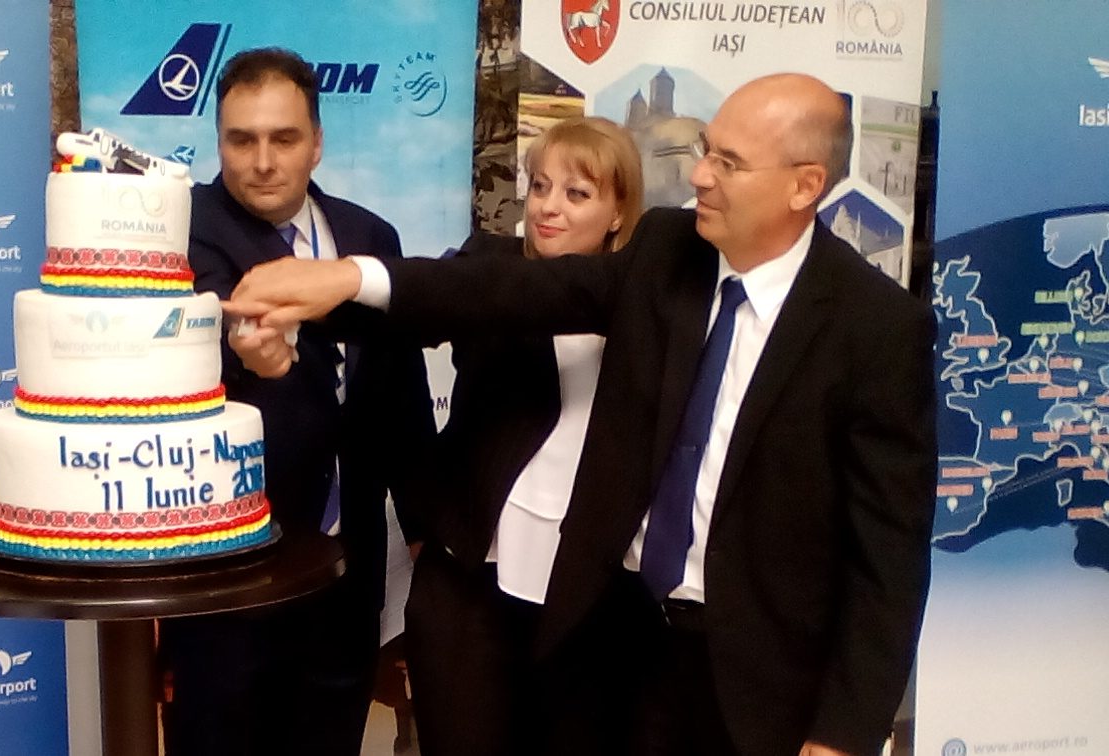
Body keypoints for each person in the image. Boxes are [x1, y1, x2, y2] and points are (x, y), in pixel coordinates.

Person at [226, 73, 937, 756]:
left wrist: (846, 730)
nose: (700, 176)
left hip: (760, 682)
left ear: (804, 185)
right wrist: (348, 277)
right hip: (633, 647)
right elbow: (500, 289)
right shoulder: (670, 251)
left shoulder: (876, 329)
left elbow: (888, 556)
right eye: (706, 151)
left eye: (730, 163)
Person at [158, 47, 436, 756]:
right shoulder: (175, 231)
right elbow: (189, 344)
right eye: (241, 140)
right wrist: (244, 357)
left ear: (317, 143)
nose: (262, 162)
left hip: (345, 575)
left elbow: (401, 396)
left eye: (283, 139)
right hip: (225, 580)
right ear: (217, 142)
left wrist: (426, 528)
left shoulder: (369, 238)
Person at [395, 116, 645, 756]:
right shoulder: (488, 267)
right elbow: (407, 321)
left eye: (576, 193)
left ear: (619, 213)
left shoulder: (647, 303)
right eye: (540, 187)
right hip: (470, 584)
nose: (548, 207)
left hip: (591, 594)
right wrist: (424, 524)